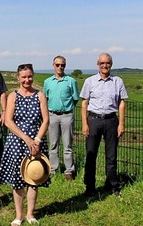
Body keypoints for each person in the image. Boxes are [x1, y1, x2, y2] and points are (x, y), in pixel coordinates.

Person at [0, 64, 50, 226]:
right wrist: (26, 139)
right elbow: (8, 121)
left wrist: (37, 140)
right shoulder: (13, 96)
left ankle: (30, 213)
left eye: (29, 76)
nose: (27, 80)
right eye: (24, 77)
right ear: (18, 78)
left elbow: (46, 120)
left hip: (37, 141)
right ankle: (18, 215)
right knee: (18, 178)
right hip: (17, 142)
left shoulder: (40, 95)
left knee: (35, 176)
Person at [80, 53, 128, 197]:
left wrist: (121, 123)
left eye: (107, 63)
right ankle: (89, 187)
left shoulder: (117, 81)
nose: (105, 66)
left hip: (111, 121)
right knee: (90, 154)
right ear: (97, 65)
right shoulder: (90, 81)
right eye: (102, 63)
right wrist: (84, 124)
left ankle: (112, 185)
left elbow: (121, 103)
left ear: (111, 64)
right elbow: (84, 103)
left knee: (111, 156)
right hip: (93, 120)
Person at [43, 55, 79, 180]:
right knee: (53, 144)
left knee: (68, 144)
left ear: (65, 66)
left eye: (62, 65)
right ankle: (53, 169)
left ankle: (69, 170)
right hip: (52, 115)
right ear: (53, 65)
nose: (60, 67)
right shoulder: (47, 82)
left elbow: (75, 99)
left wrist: (67, 108)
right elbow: (45, 99)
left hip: (67, 116)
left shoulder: (71, 81)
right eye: (57, 65)